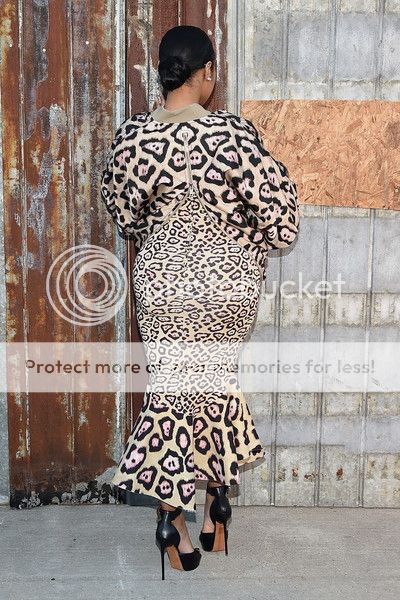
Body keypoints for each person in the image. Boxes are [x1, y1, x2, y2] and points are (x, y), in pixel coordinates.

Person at [101, 25, 300, 580]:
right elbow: (282, 223)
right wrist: (242, 240)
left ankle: (172, 523)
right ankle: (217, 508)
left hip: (164, 288)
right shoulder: (233, 135)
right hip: (225, 290)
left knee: (172, 394)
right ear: (207, 71)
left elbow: (125, 216)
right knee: (215, 389)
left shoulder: (133, 138)